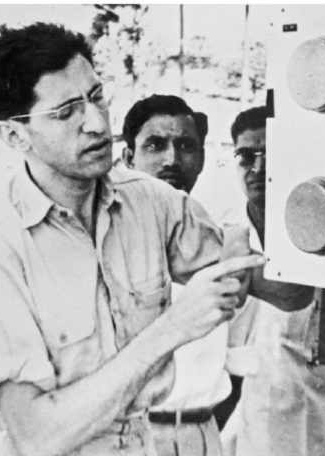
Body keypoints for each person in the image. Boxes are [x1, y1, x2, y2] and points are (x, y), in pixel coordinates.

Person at [0, 23, 309, 456]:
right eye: (66, 112)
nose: (96, 123)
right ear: (14, 135)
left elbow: (292, 292)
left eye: (96, 96)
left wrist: (274, 216)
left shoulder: (152, 202)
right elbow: (36, 435)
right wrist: (174, 327)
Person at [218, 106, 325, 456]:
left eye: (270, 155)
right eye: (246, 156)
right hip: (240, 426)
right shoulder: (221, 236)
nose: (258, 168)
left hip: (315, 427)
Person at [119, 95, 229, 456]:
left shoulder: (217, 239)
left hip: (202, 434)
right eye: (155, 145)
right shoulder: (107, 238)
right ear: (128, 158)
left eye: (185, 146)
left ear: (202, 159)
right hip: (132, 437)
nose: (172, 159)